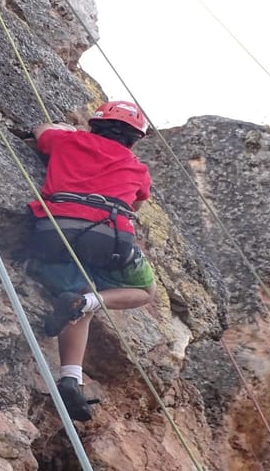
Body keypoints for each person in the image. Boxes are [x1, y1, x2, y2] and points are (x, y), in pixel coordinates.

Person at [26, 100, 157, 422]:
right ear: (134, 139)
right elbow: (137, 203)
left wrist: (69, 129)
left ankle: (72, 378)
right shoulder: (136, 167)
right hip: (109, 238)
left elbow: (41, 131)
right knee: (144, 289)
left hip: (55, 230)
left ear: (94, 124)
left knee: (77, 292)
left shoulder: (67, 141)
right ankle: (89, 305)